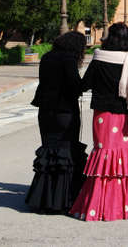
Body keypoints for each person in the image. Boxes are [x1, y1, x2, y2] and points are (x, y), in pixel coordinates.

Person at [70, 22, 128, 221]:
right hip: (127, 115)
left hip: (103, 115)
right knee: (127, 155)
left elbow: (84, 84)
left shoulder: (99, 58)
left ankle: (98, 204)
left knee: (104, 155)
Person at [25, 31, 87, 214]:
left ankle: (44, 198)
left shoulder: (47, 57)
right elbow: (74, 85)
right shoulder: (68, 59)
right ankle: (62, 199)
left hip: (45, 111)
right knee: (65, 153)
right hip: (64, 111)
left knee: (49, 151)